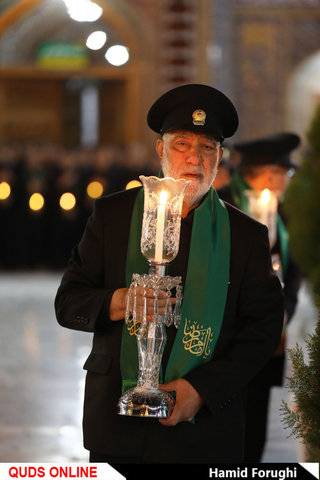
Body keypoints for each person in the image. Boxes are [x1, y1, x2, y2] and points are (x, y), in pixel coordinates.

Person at [55, 84, 284, 464]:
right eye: (182, 145)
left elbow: (262, 329)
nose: (194, 158)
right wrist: (120, 301)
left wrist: (202, 390)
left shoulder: (245, 236)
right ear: (161, 150)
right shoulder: (113, 217)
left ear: (220, 157)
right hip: (117, 426)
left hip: (205, 432)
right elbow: (68, 301)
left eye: (207, 147)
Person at [218, 132, 303, 462]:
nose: (286, 181)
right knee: (224, 429)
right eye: (285, 173)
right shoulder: (222, 204)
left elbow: (292, 275)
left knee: (254, 428)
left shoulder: (281, 215)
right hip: (225, 341)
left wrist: (282, 315)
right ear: (270, 173)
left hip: (267, 342)